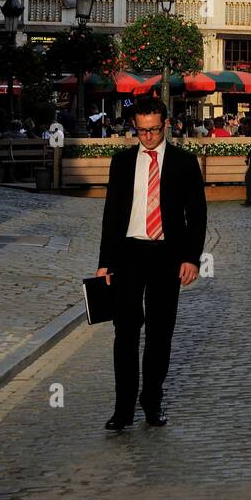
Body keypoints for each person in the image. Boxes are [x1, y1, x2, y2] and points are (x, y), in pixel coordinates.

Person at [95, 95, 207, 432]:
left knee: (160, 333)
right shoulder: (122, 163)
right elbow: (111, 215)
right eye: (142, 131)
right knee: (125, 333)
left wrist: (191, 258)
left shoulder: (185, 163)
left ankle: (152, 400)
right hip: (128, 255)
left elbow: (197, 215)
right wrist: (105, 262)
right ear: (135, 128)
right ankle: (123, 408)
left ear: (166, 125)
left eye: (155, 130)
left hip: (166, 256)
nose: (148, 137)